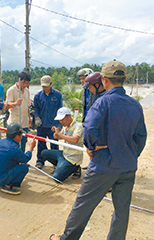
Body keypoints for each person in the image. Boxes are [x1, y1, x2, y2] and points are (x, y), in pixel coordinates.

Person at [50, 60, 147, 240]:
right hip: (127, 167)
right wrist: (130, 155)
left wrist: (93, 147)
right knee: (122, 210)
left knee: (83, 205)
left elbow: (89, 130)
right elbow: (141, 137)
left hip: (103, 165)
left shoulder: (103, 102)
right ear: (125, 78)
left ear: (103, 79)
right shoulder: (135, 105)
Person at [0, 122, 36, 195]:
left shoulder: (1, 142)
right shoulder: (14, 148)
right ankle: (7, 186)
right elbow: (25, 159)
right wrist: (31, 148)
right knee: (24, 168)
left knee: (13, 161)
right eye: (21, 134)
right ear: (17, 136)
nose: (22, 136)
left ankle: (0, 180)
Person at [41, 107, 83, 182]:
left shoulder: (78, 126)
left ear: (69, 117)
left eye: (62, 119)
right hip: (65, 154)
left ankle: (75, 168)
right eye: (59, 119)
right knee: (44, 153)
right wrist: (56, 134)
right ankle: (61, 167)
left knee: (57, 178)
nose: (60, 121)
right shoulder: (65, 126)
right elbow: (61, 137)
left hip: (73, 159)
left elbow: (74, 140)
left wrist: (59, 134)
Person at [34, 75, 63, 169]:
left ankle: (56, 162)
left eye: (46, 86)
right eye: (43, 86)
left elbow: (60, 109)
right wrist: (37, 117)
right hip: (41, 125)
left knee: (54, 144)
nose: (45, 88)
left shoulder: (58, 95)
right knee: (41, 144)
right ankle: (40, 161)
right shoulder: (37, 96)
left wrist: (59, 124)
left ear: (51, 84)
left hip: (53, 125)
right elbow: (36, 109)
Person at [6, 71, 31, 152]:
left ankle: (22, 159)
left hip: (24, 122)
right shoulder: (11, 90)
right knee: (13, 143)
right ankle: (13, 161)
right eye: (24, 83)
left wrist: (29, 118)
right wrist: (15, 103)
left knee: (23, 142)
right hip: (14, 122)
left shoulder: (27, 91)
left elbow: (27, 106)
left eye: (27, 83)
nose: (25, 85)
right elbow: (7, 105)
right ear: (18, 80)